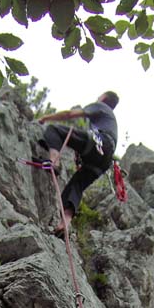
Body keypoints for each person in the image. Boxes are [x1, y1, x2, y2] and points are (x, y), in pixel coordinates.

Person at [38, 91, 119, 237]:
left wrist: (46, 117)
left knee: (54, 130)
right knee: (76, 186)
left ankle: (53, 161)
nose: (97, 96)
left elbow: (70, 114)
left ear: (104, 98)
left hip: (100, 142)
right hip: (104, 159)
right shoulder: (108, 120)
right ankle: (64, 224)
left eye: (100, 95)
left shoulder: (100, 106)